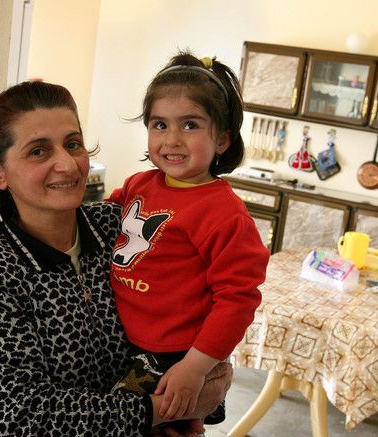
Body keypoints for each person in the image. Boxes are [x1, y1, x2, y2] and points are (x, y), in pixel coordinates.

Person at [0, 80, 232, 437]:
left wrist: (204, 390)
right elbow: (21, 418)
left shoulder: (122, 226)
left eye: (73, 144)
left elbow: (198, 315)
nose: (67, 164)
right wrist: (160, 410)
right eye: (38, 151)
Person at [108, 52, 270, 425]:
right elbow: (96, 224)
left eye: (191, 125)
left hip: (176, 358)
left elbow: (238, 300)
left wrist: (196, 367)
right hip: (124, 342)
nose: (172, 140)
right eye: (159, 125)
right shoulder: (139, 184)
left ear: (223, 139)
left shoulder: (224, 213)